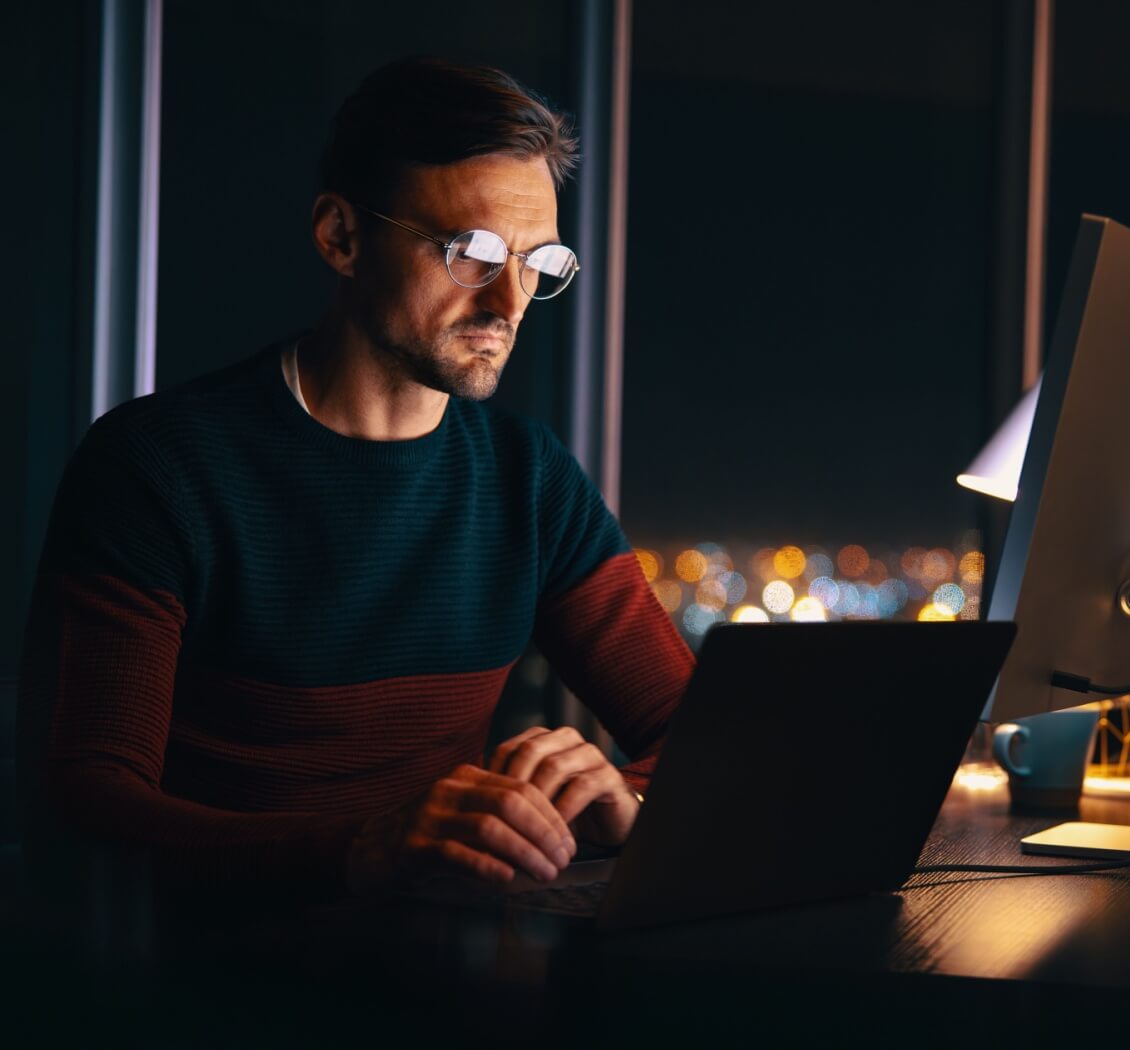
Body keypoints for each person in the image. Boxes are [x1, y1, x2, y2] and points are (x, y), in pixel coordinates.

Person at [17, 57, 693, 901]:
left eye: (540, 263)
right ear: (341, 236)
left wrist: (628, 796)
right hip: (193, 985)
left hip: (441, 971)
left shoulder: (529, 477)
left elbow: (707, 742)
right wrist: (361, 849)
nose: (510, 303)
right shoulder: (162, 468)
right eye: (473, 253)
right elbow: (90, 803)